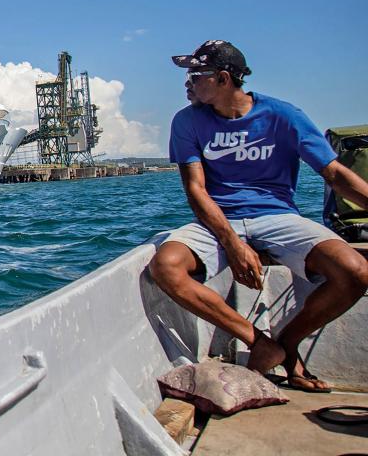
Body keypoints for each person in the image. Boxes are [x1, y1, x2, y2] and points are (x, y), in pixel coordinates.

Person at [148, 40, 368, 392]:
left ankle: (288, 342)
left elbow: (335, 174)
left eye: (196, 75)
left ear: (223, 79)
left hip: (277, 215)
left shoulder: (283, 115)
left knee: (355, 271)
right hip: (219, 218)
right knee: (165, 267)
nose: (187, 83)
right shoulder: (187, 121)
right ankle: (259, 342)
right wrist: (232, 243)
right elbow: (196, 190)